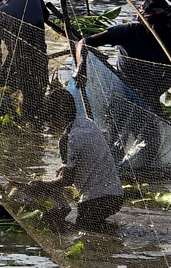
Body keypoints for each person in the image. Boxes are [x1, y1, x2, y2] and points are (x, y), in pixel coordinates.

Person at [23, 88, 123, 231]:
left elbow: (67, 180)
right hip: (116, 196)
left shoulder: (69, 138)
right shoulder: (87, 123)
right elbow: (88, 158)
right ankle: (113, 232)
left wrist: (42, 183)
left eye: (50, 117)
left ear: (56, 117)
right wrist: (64, 169)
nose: (50, 123)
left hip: (96, 201)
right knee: (95, 229)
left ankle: (115, 234)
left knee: (80, 232)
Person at [82, 0, 171, 112]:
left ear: (165, 21)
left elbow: (169, 75)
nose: (154, 27)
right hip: (122, 89)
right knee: (117, 117)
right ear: (144, 20)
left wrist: (152, 95)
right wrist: (81, 66)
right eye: (151, 23)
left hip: (150, 94)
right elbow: (85, 42)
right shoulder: (129, 31)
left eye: (159, 23)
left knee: (153, 120)